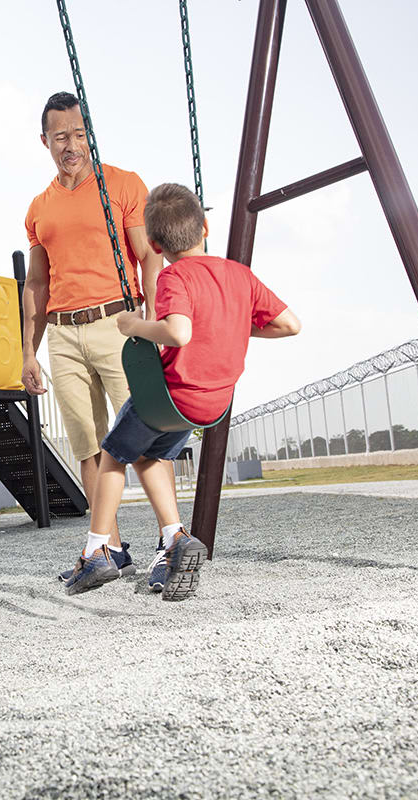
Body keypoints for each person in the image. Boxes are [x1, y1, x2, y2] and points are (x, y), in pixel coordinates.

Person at [62, 183, 301, 600]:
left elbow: (177, 331)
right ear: (205, 225)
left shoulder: (175, 276)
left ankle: (97, 548)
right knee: (149, 455)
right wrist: (226, 326)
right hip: (213, 404)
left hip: (171, 396)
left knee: (113, 455)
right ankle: (175, 539)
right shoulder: (239, 275)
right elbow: (289, 324)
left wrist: (134, 326)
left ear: (153, 243)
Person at [22, 91, 164, 579]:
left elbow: (147, 255)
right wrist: (29, 352)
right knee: (88, 445)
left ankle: (171, 538)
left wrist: (156, 318)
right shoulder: (39, 208)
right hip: (63, 335)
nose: (72, 145)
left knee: (142, 438)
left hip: (118, 323)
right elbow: (36, 284)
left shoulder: (122, 185)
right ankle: (110, 552)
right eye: (61, 136)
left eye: (80, 134)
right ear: (45, 141)